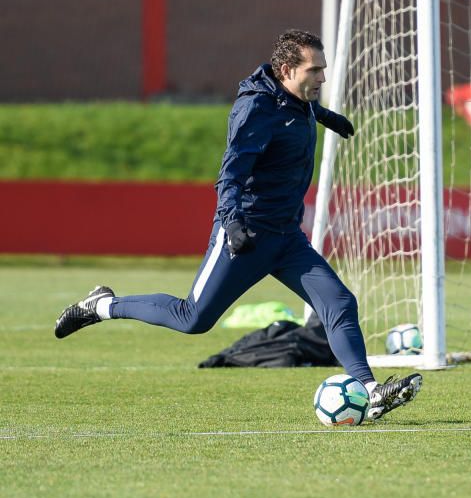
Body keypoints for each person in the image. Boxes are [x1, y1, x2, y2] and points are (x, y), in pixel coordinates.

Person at [54, 29, 422, 421]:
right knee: (192, 319)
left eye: (323, 70)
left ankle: (369, 391)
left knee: (339, 302)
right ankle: (103, 305)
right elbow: (230, 174)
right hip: (245, 235)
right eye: (315, 70)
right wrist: (231, 223)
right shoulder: (255, 109)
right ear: (286, 70)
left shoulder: (298, 100)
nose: (322, 78)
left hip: (286, 238)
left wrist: (329, 118)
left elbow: (297, 111)